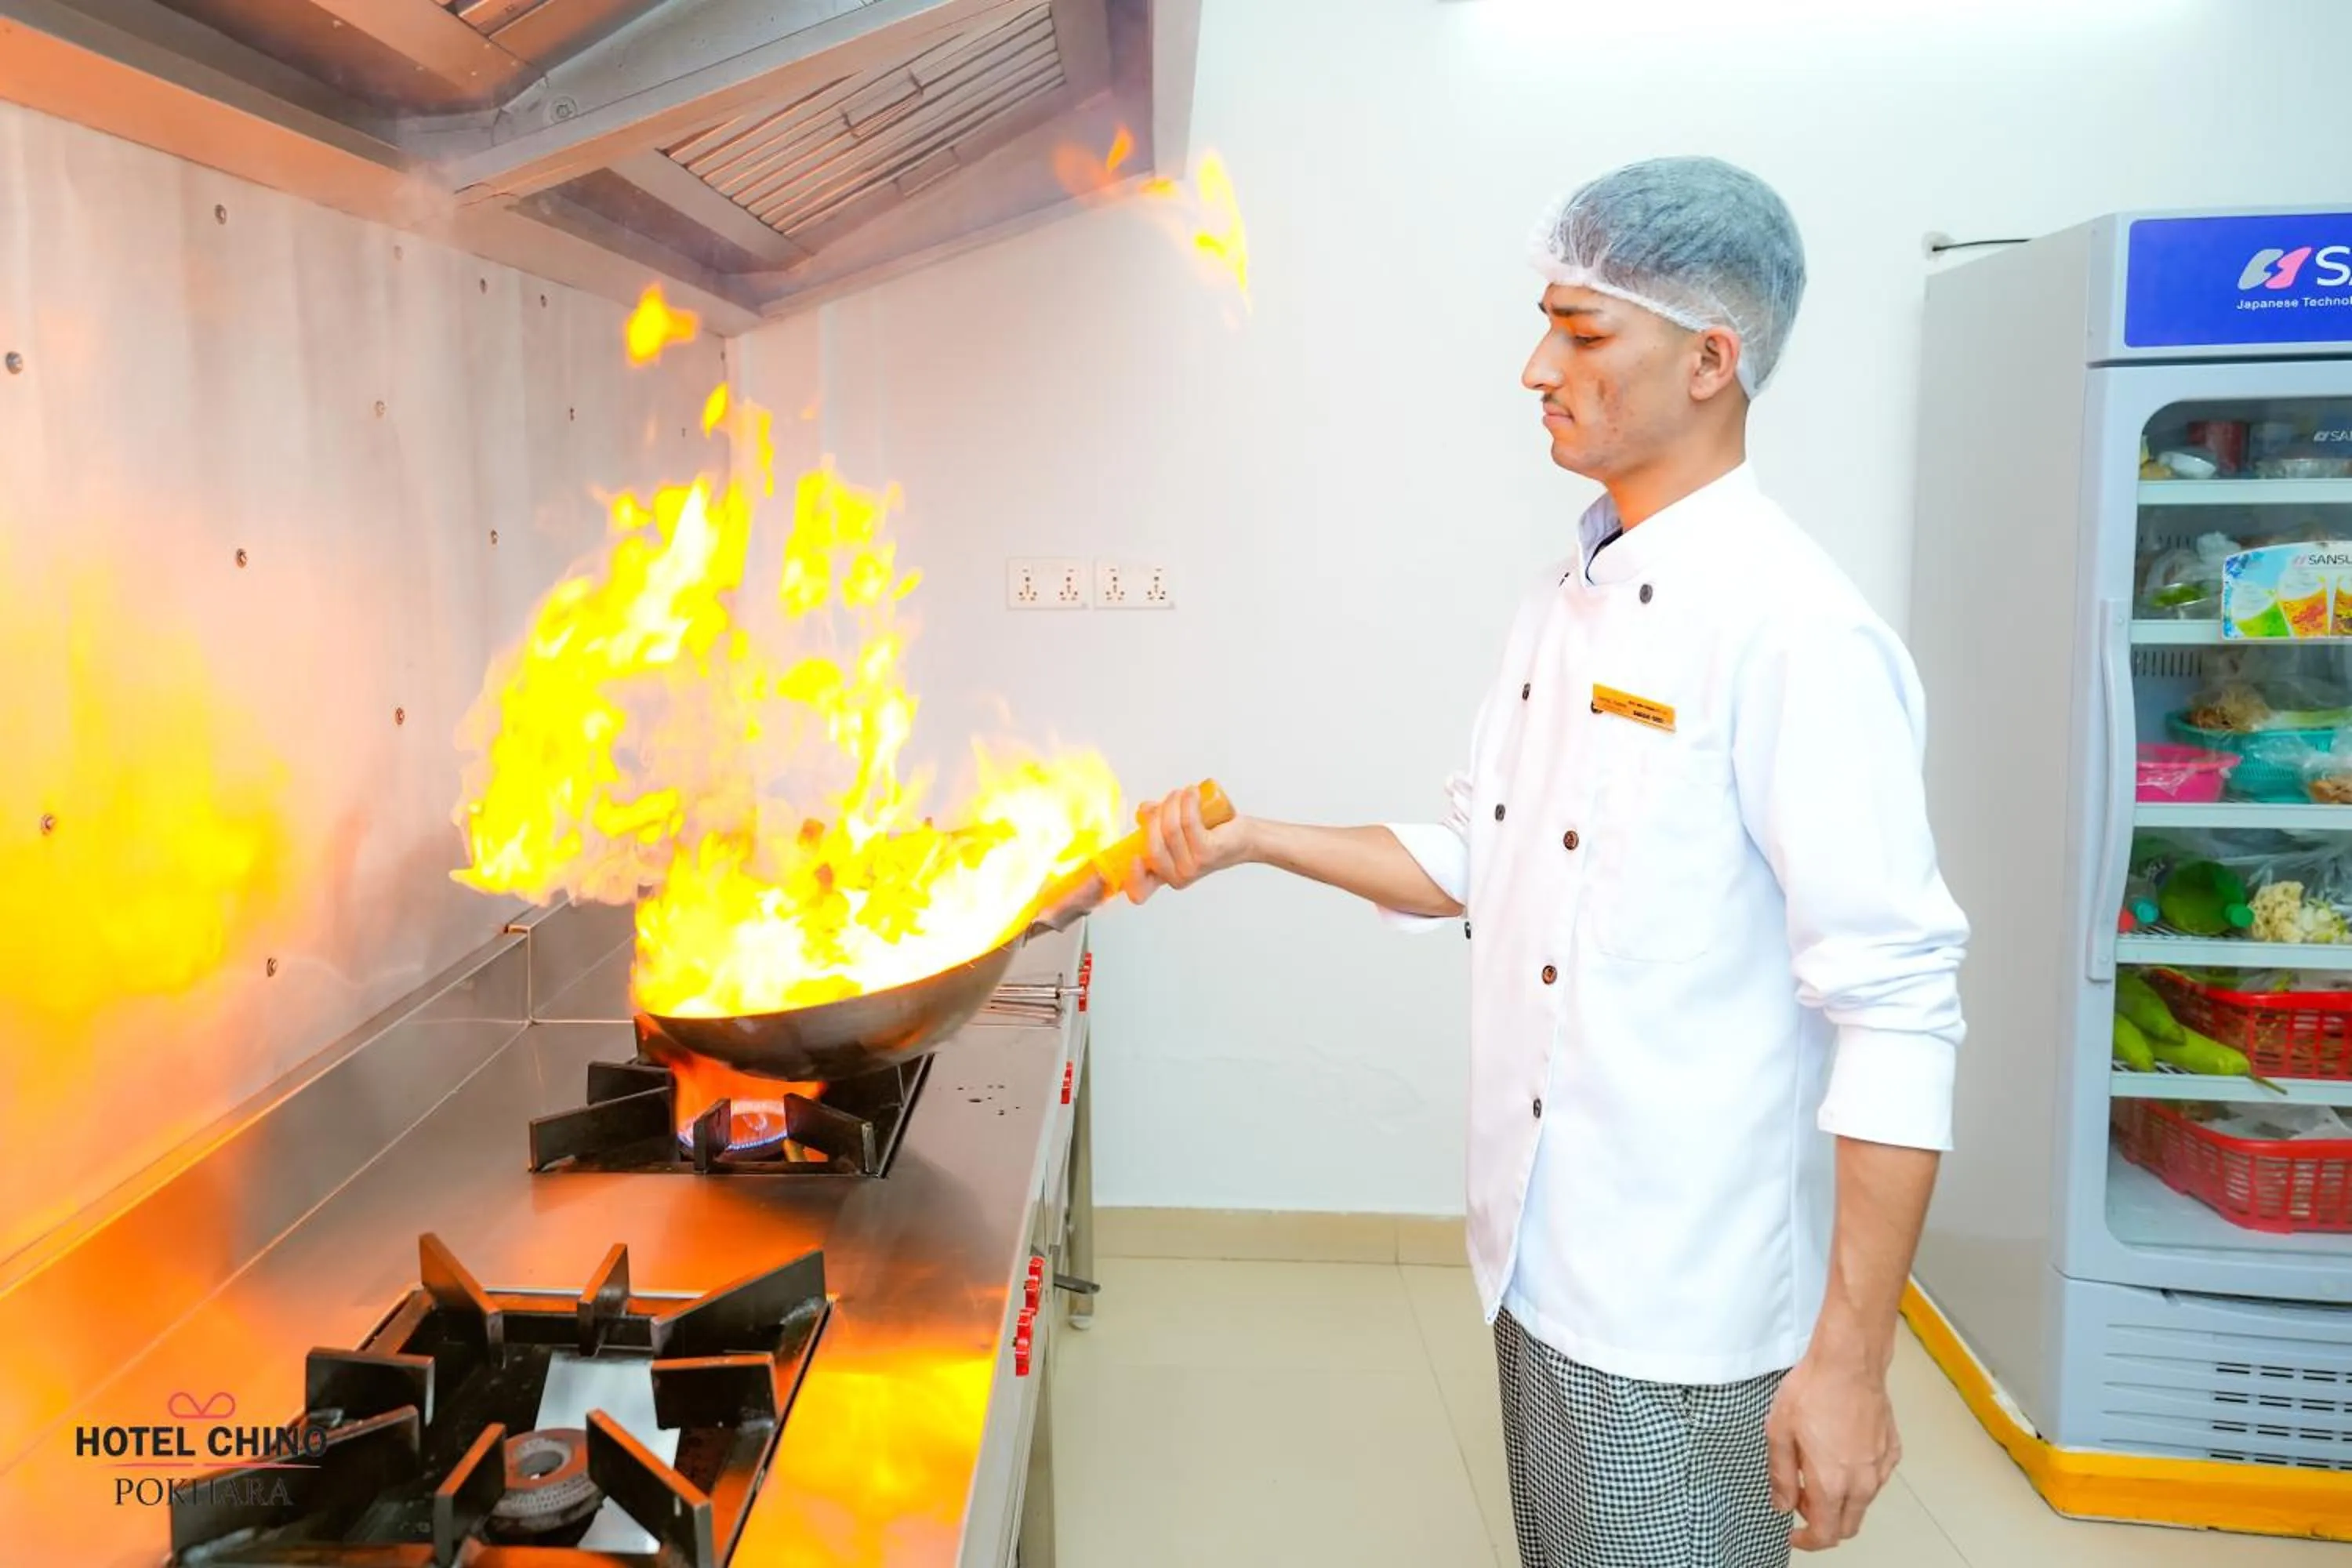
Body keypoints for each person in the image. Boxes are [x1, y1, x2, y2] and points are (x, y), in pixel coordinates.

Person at [1126, 156, 1969, 1568]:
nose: (1537, 368)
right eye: (1547, 328)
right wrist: (1253, 840)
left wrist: (1850, 1363)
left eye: (1582, 334)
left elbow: (1897, 1009)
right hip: (1532, 1256)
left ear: (1710, 361)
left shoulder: (1795, 632)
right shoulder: (1561, 601)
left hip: (1681, 1310)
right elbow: (1485, 856)